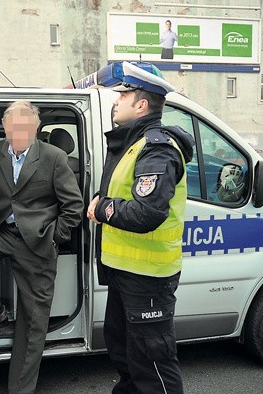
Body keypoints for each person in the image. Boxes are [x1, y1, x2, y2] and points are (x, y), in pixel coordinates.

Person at [0, 100, 84, 394]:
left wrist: (53, 237)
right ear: (5, 126)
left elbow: (74, 207)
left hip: (38, 241)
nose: (20, 131)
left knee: (32, 320)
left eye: (26, 126)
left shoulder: (53, 157)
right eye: (14, 126)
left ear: (36, 128)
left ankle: (20, 389)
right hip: (4, 233)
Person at [87, 61, 194, 394]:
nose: (116, 101)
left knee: (153, 364)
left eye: (124, 95)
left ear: (142, 104)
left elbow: (147, 212)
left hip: (147, 278)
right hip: (125, 271)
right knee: (123, 352)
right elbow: (124, 193)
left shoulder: (156, 148)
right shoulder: (132, 144)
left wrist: (102, 208)